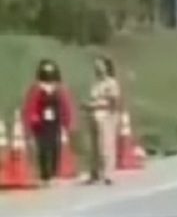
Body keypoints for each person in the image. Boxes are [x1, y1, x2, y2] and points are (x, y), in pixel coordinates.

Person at [22, 60, 76, 185]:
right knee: (43, 147)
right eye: (46, 72)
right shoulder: (37, 88)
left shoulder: (60, 88)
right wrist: (31, 120)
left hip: (55, 121)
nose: (48, 75)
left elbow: (66, 106)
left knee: (55, 147)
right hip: (41, 122)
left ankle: (53, 173)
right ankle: (44, 174)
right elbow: (31, 105)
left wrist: (68, 123)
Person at [85, 56, 122, 186]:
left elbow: (114, 102)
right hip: (93, 115)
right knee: (94, 146)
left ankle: (108, 174)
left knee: (106, 145)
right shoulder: (96, 84)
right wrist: (88, 105)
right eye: (96, 65)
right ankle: (94, 173)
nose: (98, 68)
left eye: (100, 65)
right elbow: (93, 98)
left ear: (106, 67)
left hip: (106, 115)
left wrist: (99, 106)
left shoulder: (111, 83)